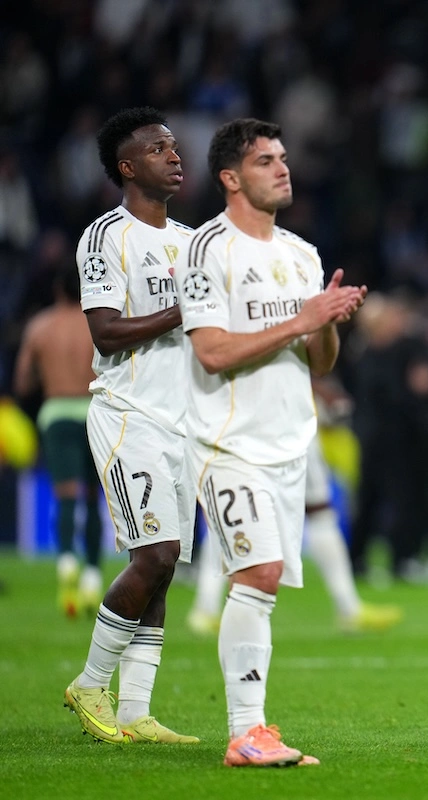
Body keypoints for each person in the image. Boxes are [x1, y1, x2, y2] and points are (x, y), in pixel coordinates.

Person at [180, 117, 366, 767]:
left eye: (283, 158)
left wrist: (327, 321)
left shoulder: (301, 254)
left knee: (261, 587)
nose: (283, 168)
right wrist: (301, 319)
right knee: (256, 574)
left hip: (290, 444)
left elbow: (319, 362)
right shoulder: (207, 250)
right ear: (231, 177)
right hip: (227, 443)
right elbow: (210, 353)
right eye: (265, 161)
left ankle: (253, 729)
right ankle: (246, 732)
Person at [62, 107, 200, 745]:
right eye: (159, 149)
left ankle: (135, 710)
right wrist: (185, 309)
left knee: (166, 567)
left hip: (183, 424)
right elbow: (106, 333)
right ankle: (90, 682)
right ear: (128, 166)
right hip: (129, 417)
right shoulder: (105, 237)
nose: (175, 156)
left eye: (174, 147)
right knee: (155, 555)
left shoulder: (194, 242)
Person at [186, 382, 403, 635]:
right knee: (237, 508)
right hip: (272, 415)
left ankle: (205, 609)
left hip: (269, 414)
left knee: (304, 509)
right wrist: (321, 389)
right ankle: (205, 608)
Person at [14, 264, 106, 618]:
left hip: (56, 414)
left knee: (65, 496)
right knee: (92, 494)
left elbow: (23, 381)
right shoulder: (94, 324)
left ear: (56, 289)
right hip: (94, 412)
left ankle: (67, 562)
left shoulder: (39, 327)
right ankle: (93, 578)